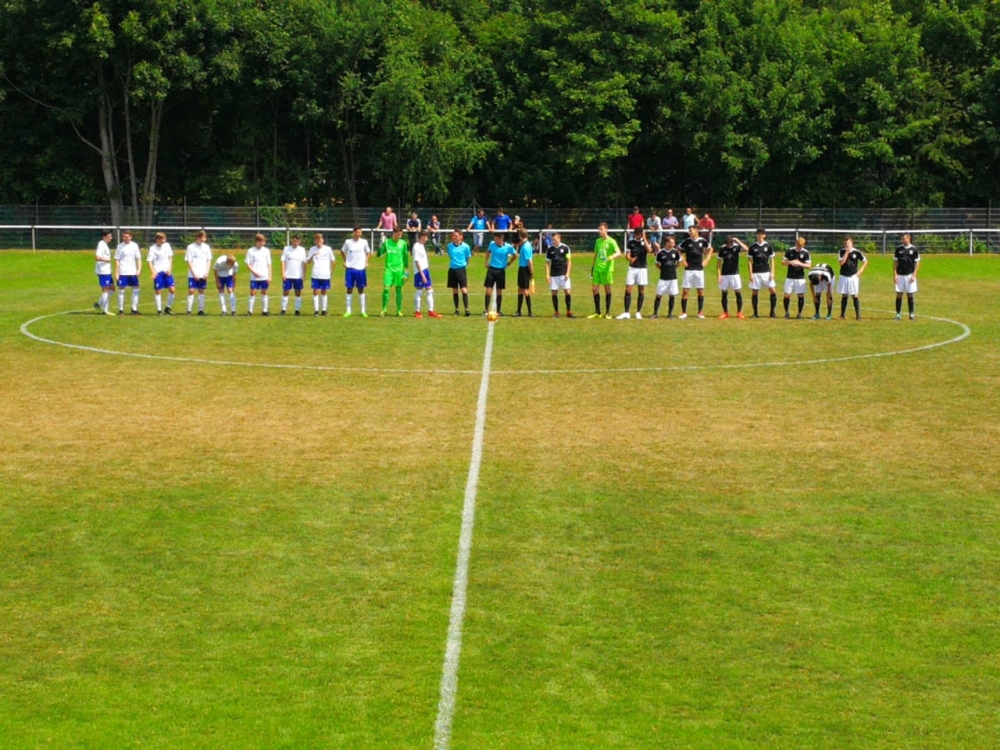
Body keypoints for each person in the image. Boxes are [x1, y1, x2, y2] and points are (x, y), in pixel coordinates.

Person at [588, 222, 622, 318]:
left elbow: (619, 253)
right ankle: (597, 312)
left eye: (601, 229)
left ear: (606, 230)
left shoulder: (611, 241)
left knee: (607, 289)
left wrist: (610, 258)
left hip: (607, 269)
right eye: (599, 229)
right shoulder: (598, 241)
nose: (599, 231)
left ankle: (608, 312)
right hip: (597, 268)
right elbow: (596, 254)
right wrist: (593, 266)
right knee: (594, 289)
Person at [678, 225, 712, 319]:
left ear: (696, 230)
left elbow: (710, 249)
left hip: (699, 269)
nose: (690, 232)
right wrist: (682, 260)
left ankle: (700, 312)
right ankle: (684, 312)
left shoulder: (702, 241)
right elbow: (678, 249)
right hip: (689, 269)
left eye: (691, 231)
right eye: (689, 231)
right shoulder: (686, 241)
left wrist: (707, 259)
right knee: (685, 291)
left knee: (700, 291)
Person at [618, 225, 651, 319]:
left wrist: (644, 238)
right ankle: (626, 312)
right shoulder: (631, 242)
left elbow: (649, 250)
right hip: (632, 268)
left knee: (641, 290)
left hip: (642, 268)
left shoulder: (646, 242)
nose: (639, 236)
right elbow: (627, 255)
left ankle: (638, 312)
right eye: (637, 234)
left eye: (640, 234)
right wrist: (630, 259)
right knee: (628, 289)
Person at [339, 228, 371, 318]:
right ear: (353, 233)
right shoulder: (348, 242)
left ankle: (363, 311)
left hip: (361, 269)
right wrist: (345, 261)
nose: (358, 234)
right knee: (349, 289)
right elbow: (342, 251)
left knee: (361, 289)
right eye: (357, 232)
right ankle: (348, 311)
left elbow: (368, 252)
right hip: (350, 268)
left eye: (360, 232)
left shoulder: (364, 242)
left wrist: (366, 262)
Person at [378, 226, 409, 316]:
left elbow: (405, 258)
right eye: (398, 234)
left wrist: (406, 272)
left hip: (399, 270)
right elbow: (379, 254)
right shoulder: (387, 242)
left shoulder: (403, 243)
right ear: (394, 233)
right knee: (386, 289)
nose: (400, 236)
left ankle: (399, 311)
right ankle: (384, 309)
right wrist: (380, 244)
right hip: (389, 270)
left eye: (401, 235)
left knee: (399, 289)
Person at [747, 228, 777, 318]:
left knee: (773, 291)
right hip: (756, 272)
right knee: (755, 292)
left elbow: (772, 260)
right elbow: (749, 261)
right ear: (756, 235)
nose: (760, 236)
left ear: (764, 235)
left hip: (766, 272)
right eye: (759, 234)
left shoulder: (769, 246)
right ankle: (755, 313)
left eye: (762, 234)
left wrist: (772, 272)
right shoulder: (752, 247)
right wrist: (750, 274)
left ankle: (772, 312)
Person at [484, 230, 515, 316]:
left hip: (501, 271)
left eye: (496, 238)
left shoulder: (508, 247)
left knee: (499, 290)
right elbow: (488, 252)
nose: (495, 240)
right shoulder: (492, 244)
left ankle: (498, 311)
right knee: (488, 290)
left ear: (501, 238)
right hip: (491, 270)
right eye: (494, 238)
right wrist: (486, 262)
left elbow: (515, 255)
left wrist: (508, 263)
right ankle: (486, 310)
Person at [412, 230, 442, 319]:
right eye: (425, 237)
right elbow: (417, 262)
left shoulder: (421, 245)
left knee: (430, 290)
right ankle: (417, 312)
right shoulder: (416, 247)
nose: (426, 239)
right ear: (421, 236)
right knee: (419, 290)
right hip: (419, 272)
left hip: (425, 270)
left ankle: (431, 311)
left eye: (427, 237)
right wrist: (422, 275)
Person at [715, 235, 746, 319]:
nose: (728, 245)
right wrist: (719, 275)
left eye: (729, 244)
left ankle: (739, 312)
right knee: (724, 293)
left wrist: (737, 240)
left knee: (737, 292)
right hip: (724, 274)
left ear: (732, 242)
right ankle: (725, 312)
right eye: (727, 244)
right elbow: (719, 263)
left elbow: (746, 249)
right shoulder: (722, 248)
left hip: (735, 273)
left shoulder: (736, 247)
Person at [837, 236, 867, 320]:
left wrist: (860, 271)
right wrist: (846, 253)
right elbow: (841, 263)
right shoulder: (841, 251)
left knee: (855, 295)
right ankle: (842, 315)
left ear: (852, 243)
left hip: (853, 276)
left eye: (848, 243)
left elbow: (865, 261)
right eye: (845, 243)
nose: (847, 245)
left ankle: (858, 315)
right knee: (844, 295)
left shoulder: (857, 252)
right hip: (843, 276)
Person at [782, 236, 812, 319]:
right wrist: (790, 262)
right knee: (787, 295)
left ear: (803, 245)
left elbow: (809, 266)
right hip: (790, 277)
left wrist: (799, 263)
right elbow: (783, 262)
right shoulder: (790, 251)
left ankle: (799, 313)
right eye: (798, 245)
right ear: (795, 243)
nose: (799, 247)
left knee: (800, 295)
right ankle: (786, 312)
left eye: (801, 246)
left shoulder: (806, 253)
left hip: (800, 277)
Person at [146, 232, 175, 315]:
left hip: (166, 271)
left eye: (164, 238)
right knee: (158, 291)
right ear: (158, 239)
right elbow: (149, 261)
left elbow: (170, 257)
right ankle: (159, 310)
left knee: (172, 290)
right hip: (158, 272)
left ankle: (168, 308)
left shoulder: (167, 246)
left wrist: (169, 268)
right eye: (162, 239)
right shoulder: (152, 248)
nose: (164, 240)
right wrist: (153, 272)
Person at [652, 235, 682, 318]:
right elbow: (656, 264)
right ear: (667, 243)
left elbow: (679, 262)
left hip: (673, 278)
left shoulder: (675, 252)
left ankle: (670, 314)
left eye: (674, 243)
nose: (673, 244)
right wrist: (662, 269)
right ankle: (655, 313)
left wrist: (673, 268)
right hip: (663, 278)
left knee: (672, 295)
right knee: (659, 295)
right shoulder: (660, 253)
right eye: (672, 243)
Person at [184, 230, 212, 315]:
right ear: (198, 237)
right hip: (193, 274)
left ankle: (201, 310)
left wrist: (207, 272)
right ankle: (189, 310)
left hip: (203, 273)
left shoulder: (206, 247)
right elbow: (189, 261)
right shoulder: (190, 247)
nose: (205, 239)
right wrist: (194, 274)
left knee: (201, 290)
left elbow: (209, 260)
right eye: (203, 237)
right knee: (191, 290)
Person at [307, 233, 336, 316]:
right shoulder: (312, 249)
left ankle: (324, 310)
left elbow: (333, 260)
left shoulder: (328, 249)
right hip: (315, 274)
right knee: (315, 291)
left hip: (325, 274)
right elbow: (308, 262)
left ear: (323, 240)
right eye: (317, 241)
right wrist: (312, 255)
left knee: (324, 292)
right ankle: (316, 311)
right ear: (315, 241)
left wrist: (331, 271)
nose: (318, 243)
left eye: (320, 241)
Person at [893, 233, 921, 320]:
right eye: (902, 239)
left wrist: (914, 275)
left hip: (909, 275)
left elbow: (917, 263)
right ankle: (898, 314)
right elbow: (895, 263)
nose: (902, 240)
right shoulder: (898, 249)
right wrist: (895, 274)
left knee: (910, 294)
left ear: (909, 238)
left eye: (904, 239)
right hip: (900, 275)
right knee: (899, 294)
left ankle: (911, 314)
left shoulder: (914, 249)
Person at [115, 230, 142, 315]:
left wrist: (139, 269)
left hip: (133, 272)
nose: (125, 238)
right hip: (123, 272)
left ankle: (134, 309)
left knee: (136, 289)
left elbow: (138, 258)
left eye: (126, 237)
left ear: (131, 237)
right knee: (121, 290)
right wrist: (117, 272)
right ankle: (121, 310)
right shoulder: (119, 246)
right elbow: (117, 260)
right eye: (123, 236)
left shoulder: (134, 246)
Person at [277, 234, 306, 315]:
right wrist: (283, 273)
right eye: (294, 241)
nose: (295, 242)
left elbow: (304, 263)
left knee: (298, 292)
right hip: (288, 275)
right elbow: (282, 261)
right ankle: (283, 310)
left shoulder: (302, 250)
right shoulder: (286, 249)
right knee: (286, 292)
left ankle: (297, 310)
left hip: (298, 275)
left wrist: (304, 275)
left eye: (297, 241)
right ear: (292, 241)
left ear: (299, 242)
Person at [545, 232, 573, 317]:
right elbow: (547, 263)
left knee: (567, 292)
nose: (553, 241)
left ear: (559, 239)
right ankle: (556, 312)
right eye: (552, 240)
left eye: (555, 240)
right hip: (554, 274)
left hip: (563, 273)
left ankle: (569, 311)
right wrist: (547, 274)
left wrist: (568, 272)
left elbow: (569, 261)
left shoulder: (565, 247)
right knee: (554, 293)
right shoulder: (550, 250)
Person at [447, 229, 473, 316]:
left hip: (461, 270)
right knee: (455, 290)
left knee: (463, 289)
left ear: (461, 236)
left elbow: (468, 257)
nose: (454, 237)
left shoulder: (466, 247)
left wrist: (464, 264)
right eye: (453, 236)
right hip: (452, 270)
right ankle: (457, 309)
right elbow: (450, 256)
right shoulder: (449, 246)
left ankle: (466, 309)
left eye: (456, 236)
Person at [245, 233, 272, 315]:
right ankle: (250, 311)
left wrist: (269, 276)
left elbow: (269, 264)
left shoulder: (266, 251)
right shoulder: (250, 251)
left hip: (264, 276)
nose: (264, 243)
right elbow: (247, 264)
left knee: (264, 292)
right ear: (258, 241)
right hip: (254, 277)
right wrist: (254, 272)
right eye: (263, 241)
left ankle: (265, 310)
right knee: (253, 292)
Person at [94, 230, 115, 315]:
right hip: (103, 271)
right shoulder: (101, 244)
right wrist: (107, 260)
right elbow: (97, 257)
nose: (111, 238)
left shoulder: (105, 244)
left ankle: (99, 303)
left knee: (112, 289)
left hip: (107, 271)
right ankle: (105, 310)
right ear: (104, 237)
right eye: (109, 236)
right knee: (106, 290)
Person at [514, 228, 535, 317]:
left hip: (525, 270)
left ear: (520, 236)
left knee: (525, 291)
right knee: (520, 289)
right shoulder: (526, 244)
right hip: (522, 269)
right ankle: (519, 311)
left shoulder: (526, 247)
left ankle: (530, 312)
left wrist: (531, 273)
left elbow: (529, 261)